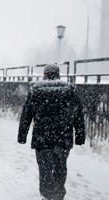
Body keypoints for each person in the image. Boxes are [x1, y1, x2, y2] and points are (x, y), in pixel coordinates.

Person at [18, 64, 86, 200]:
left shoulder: (36, 89)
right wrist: (79, 136)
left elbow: (27, 114)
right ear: (58, 74)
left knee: (45, 168)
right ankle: (59, 193)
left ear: (45, 75)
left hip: (42, 137)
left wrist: (22, 135)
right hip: (63, 137)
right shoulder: (70, 89)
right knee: (60, 166)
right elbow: (78, 114)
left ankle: (46, 195)